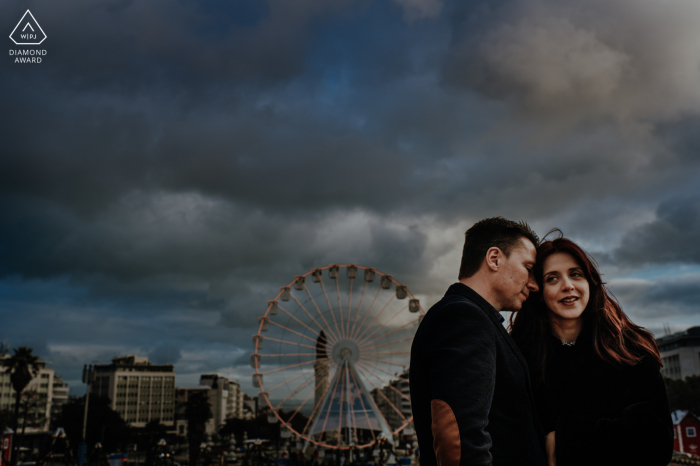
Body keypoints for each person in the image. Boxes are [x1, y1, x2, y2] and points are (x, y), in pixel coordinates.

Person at [510, 235, 674, 466]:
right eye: (552, 278)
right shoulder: (518, 357)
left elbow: (656, 441)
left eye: (575, 274)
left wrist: (564, 442)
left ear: (590, 281)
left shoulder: (630, 351)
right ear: (538, 290)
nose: (567, 285)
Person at [410, 217, 547, 466]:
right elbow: (460, 441)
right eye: (528, 268)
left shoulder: (468, 317)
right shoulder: (465, 318)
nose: (534, 284)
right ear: (494, 258)